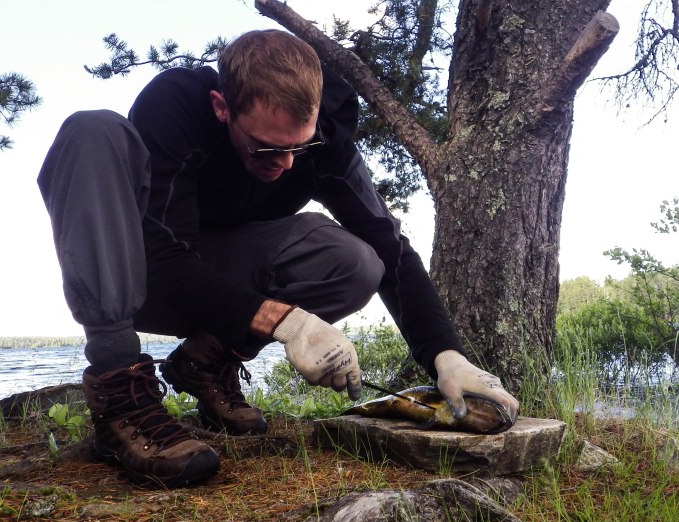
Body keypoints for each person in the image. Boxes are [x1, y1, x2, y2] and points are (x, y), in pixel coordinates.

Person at [36, 29, 519, 489]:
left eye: (298, 147)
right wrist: (287, 323)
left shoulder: (326, 138)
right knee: (91, 130)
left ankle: (205, 363)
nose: (285, 164)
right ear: (222, 108)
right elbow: (163, 260)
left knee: (354, 260)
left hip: (224, 276)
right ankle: (120, 395)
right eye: (266, 148)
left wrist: (445, 355)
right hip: (138, 277)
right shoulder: (176, 107)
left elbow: (391, 250)